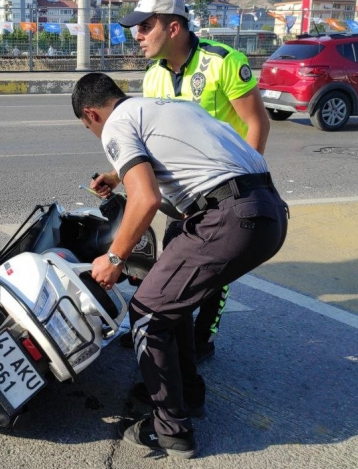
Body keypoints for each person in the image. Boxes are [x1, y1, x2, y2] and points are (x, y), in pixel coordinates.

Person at [73, 73, 287, 458]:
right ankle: (186, 393)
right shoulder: (165, 107)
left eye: (87, 128)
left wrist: (114, 258)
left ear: (91, 115)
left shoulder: (116, 125)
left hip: (229, 218)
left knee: (147, 313)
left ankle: (171, 429)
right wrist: (116, 176)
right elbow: (190, 169)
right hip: (268, 212)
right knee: (174, 304)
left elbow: (147, 199)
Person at [116, 0, 272, 362]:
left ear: (173, 28)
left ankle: (203, 337)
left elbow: (256, 124)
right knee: (175, 265)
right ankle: (158, 329)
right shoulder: (154, 74)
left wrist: (245, 184)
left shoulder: (223, 62)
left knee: (214, 274)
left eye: (145, 26)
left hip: (225, 195)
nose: (137, 35)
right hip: (183, 195)